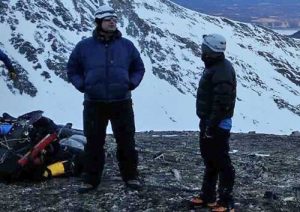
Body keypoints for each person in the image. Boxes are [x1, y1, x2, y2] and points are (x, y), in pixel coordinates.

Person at [67, 5, 145, 193]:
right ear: (98, 22)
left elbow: (138, 67)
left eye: (114, 19)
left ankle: (131, 177)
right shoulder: (84, 46)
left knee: (126, 141)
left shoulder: (126, 45)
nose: (112, 22)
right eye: (107, 19)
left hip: (122, 101)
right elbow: (72, 68)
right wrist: (82, 85)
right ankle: (91, 179)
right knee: (94, 142)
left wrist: (131, 83)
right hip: (94, 103)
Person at [190, 34, 237, 212]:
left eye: (204, 47)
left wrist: (211, 125)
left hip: (216, 124)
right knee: (210, 159)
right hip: (209, 121)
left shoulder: (221, 70)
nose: (201, 50)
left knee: (221, 160)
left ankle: (226, 200)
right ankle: (208, 196)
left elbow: (222, 103)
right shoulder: (215, 66)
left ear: (209, 50)